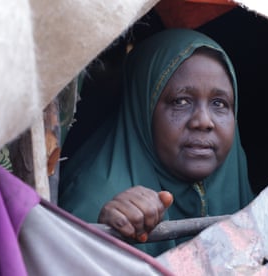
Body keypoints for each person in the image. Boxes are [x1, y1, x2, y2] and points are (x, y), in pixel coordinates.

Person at [58, 28, 254, 256]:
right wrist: (109, 238)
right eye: (180, 101)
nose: (203, 121)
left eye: (219, 103)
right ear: (141, 109)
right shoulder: (95, 203)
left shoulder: (233, 180)